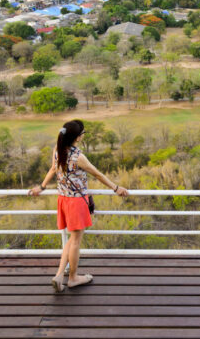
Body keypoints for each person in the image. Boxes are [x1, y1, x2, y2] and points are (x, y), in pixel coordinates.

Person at [29, 119, 129, 292]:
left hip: (63, 200)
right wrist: (116, 188)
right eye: (83, 133)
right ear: (77, 137)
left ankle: (59, 275)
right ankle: (73, 278)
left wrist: (42, 187)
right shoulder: (78, 157)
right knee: (75, 241)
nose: (83, 135)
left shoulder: (57, 149)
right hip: (76, 202)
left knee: (71, 239)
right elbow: (98, 174)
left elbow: (53, 169)